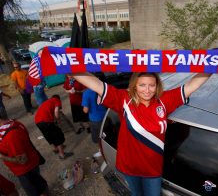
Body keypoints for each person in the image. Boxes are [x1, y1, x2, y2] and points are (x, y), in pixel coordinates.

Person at [73, 72, 210, 195]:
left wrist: (215, 65)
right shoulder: (124, 100)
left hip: (153, 170)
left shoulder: (164, 100)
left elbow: (192, 85)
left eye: (152, 85)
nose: (147, 90)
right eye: (142, 85)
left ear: (157, 86)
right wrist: (68, 65)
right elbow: (96, 84)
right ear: (134, 86)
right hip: (130, 167)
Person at [0, 114, 48, 196]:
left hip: (26, 169)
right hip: (30, 164)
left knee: (34, 190)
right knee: (39, 183)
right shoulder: (13, 123)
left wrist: (2, 156)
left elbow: (23, 160)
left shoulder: (11, 135)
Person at [34, 95, 73, 160]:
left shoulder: (47, 102)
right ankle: (62, 155)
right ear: (58, 99)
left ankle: (56, 148)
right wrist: (58, 120)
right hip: (46, 121)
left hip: (38, 121)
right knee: (57, 136)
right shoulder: (56, 100)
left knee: (49, 135)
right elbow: (56, 112)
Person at [81, 89, 107, 158]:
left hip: (95, 119)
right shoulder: (102, 87)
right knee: (106, 134)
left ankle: (102, 151)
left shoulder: (86, 93)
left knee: (99, 137)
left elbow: (85, 110)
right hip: (105, 115)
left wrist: (83, 108)